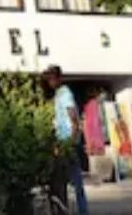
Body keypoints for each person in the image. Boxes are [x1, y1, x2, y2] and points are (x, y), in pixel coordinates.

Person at [45, 65, 89, 214]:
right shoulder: (58, 95)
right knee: (63, 180)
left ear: (59, 78)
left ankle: (82, 210)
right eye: (48, 79)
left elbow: (73, 118)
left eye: (52, 78)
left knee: (75, 180)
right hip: (61, 141)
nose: (50, 82)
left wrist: (71, 141)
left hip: (68, 142)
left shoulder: (65, 94)